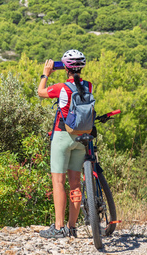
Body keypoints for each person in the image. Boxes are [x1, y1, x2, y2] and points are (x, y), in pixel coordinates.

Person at [37, 49, 92, 239]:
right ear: (81, 67)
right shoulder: (88, 86)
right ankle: (72, 227)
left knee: (58, 182)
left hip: (62, 136)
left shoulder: (62, 87)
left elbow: (40, 92)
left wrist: (46, 73)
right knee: (75, 184)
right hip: (82, 138)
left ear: (66, 67)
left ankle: (59, 228)